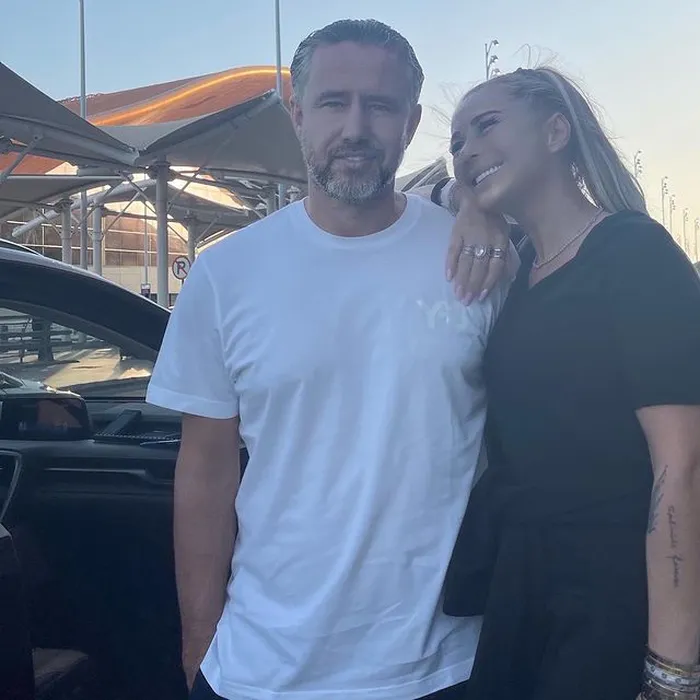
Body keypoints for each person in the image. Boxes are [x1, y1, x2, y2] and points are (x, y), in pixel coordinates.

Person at [146, 19, 515, 700]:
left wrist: (475, 203)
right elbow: (205, 470)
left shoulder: (478, 258)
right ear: (298, 114)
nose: (355, 127)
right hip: (261, 666)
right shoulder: (226, 274)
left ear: (411, 123)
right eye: (333, 102)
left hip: (443, 667)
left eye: (380, 106)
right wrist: (199, 641)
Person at [435, 66, 700, 700]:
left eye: (487, 125)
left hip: (614, 592)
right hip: (525, 584)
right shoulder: (523, 265)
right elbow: (408, 191)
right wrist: (469, 203)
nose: (467, 150)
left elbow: (682, 465)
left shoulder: (634, 252)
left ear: (557, 132)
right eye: (457, 140)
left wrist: (671, 671)